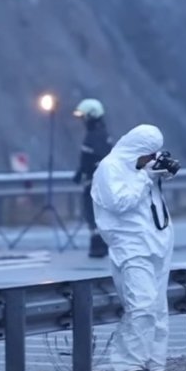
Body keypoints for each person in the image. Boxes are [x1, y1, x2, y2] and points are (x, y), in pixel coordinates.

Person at [91, 124, 179, 371]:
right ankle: (127, 365)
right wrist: (145, 176)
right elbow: (119, 203)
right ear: (136, 150)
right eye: (148, 155)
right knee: (141, 304)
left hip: (157, 243)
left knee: (158, 308)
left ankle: (154, 365)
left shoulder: (140, 169)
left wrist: (158, 174)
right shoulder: (111, 168)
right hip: (130, 246)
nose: (150, 160)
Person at [72, 99, 113, 258]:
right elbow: (88, 158)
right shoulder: (95, 134)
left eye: (84, 116)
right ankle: (98, 244)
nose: (82, 120)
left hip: (96, 183)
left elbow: (100, 159)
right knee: (91, 213)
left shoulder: (97, 135)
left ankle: (98, 245)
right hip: (92, 181)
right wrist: (80, 172)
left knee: (93, 212)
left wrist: (92, 176)